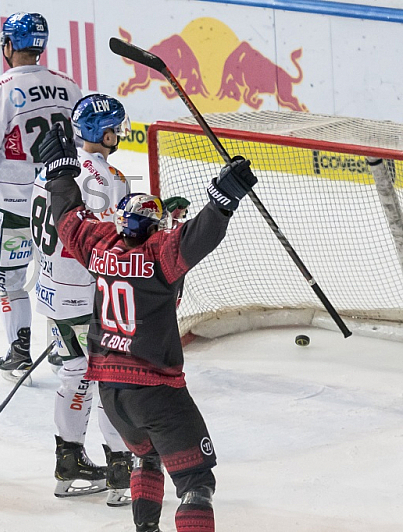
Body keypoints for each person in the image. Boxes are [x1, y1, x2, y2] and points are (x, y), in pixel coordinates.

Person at [38, 122, 258, 532]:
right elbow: (197, 237)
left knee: (146, 457)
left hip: (112, 392)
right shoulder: (159, 255)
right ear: (154, 231)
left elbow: (68, 219)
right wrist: (222, 201)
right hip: (156, 391)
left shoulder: (100, 247)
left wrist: (62, 172)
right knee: (195, 483)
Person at [0, 12, 83, 382]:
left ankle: (20, 353)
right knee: (58, 273)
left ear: (9, 46)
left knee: (10, 280)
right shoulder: (67, 85)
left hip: (13, 206)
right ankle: (66, 349)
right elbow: (80, 142)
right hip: (61, 201)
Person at [31, 94, 133, 504]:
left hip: (52, 291)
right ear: (105, 133)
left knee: (75, 373)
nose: (120, 134)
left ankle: (68, 465)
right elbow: (111, 244)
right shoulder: (109, 178)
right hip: (89, 296)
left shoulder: (53, 168)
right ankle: (122, 468)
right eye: (117, 127)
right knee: (110, 378)